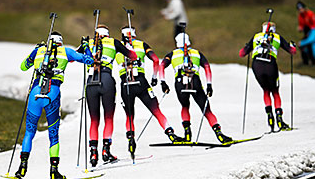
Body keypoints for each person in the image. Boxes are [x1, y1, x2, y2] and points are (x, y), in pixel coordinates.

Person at [15, 31, 93, 179]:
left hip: (35, 93)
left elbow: (23, 67)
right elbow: (89, 60)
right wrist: (86, 47)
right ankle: (54, 172)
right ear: (61, 42)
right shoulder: (66, 52)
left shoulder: (39, 51)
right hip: (53, 93)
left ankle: (22, 168)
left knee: (29, 132)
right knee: (53, 135)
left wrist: (35, 52)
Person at [115, 25, 183, 155]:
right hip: (142, 82)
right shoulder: (141, 44)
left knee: (129, 116)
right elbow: (156, 60)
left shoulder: (116, 46)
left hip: (126, 84)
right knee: (156, 110)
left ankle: (131, 141)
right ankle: (170, 133)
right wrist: (154, 78)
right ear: (134, 34)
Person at [77, 24, 137, 167]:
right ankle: (106, 151)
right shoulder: (113, 42)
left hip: (91, 82)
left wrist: (84, 47)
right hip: (106, 80)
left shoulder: (89, 43)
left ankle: (93, 152)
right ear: (107, 34)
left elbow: (73, 58)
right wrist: (128, 45)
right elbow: (133, 56)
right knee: (108, 117)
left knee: (94, 120)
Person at [159, 32, 232, 143]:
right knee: (206, 110)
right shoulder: (197, 53)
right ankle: (219, 134)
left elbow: (161, 66)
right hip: (195, 82)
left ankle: (187, 134)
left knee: (185, 106)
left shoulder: (172, 54)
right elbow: (207, 68)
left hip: (180, 83)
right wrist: (209, 85)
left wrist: (163, 82)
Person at [239, 21, 296, 132]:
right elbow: (292, 52)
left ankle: (270, 117)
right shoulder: (277, 37)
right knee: (275, 91)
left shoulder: (256, 36)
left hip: (257, 65)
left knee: (265, 90)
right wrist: (292, 46)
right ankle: (279, 118)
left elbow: (242, 53)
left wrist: (247, 46)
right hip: (270, 64)